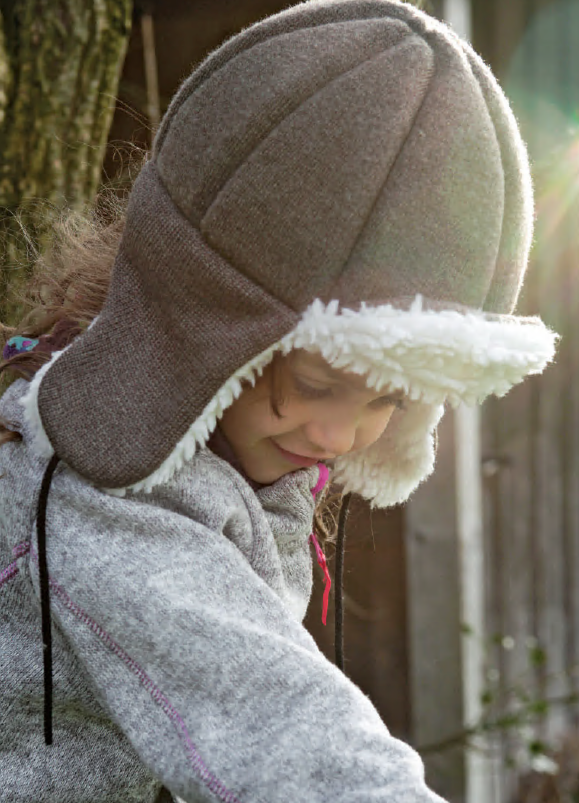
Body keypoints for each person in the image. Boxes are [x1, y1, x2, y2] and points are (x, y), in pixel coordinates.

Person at [0, 1, 557, 801]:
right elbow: (283, 729)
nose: (339, 433)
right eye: (317, 383)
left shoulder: (232, 446)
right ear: (207, 327)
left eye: (391, 396)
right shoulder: (105, 508)